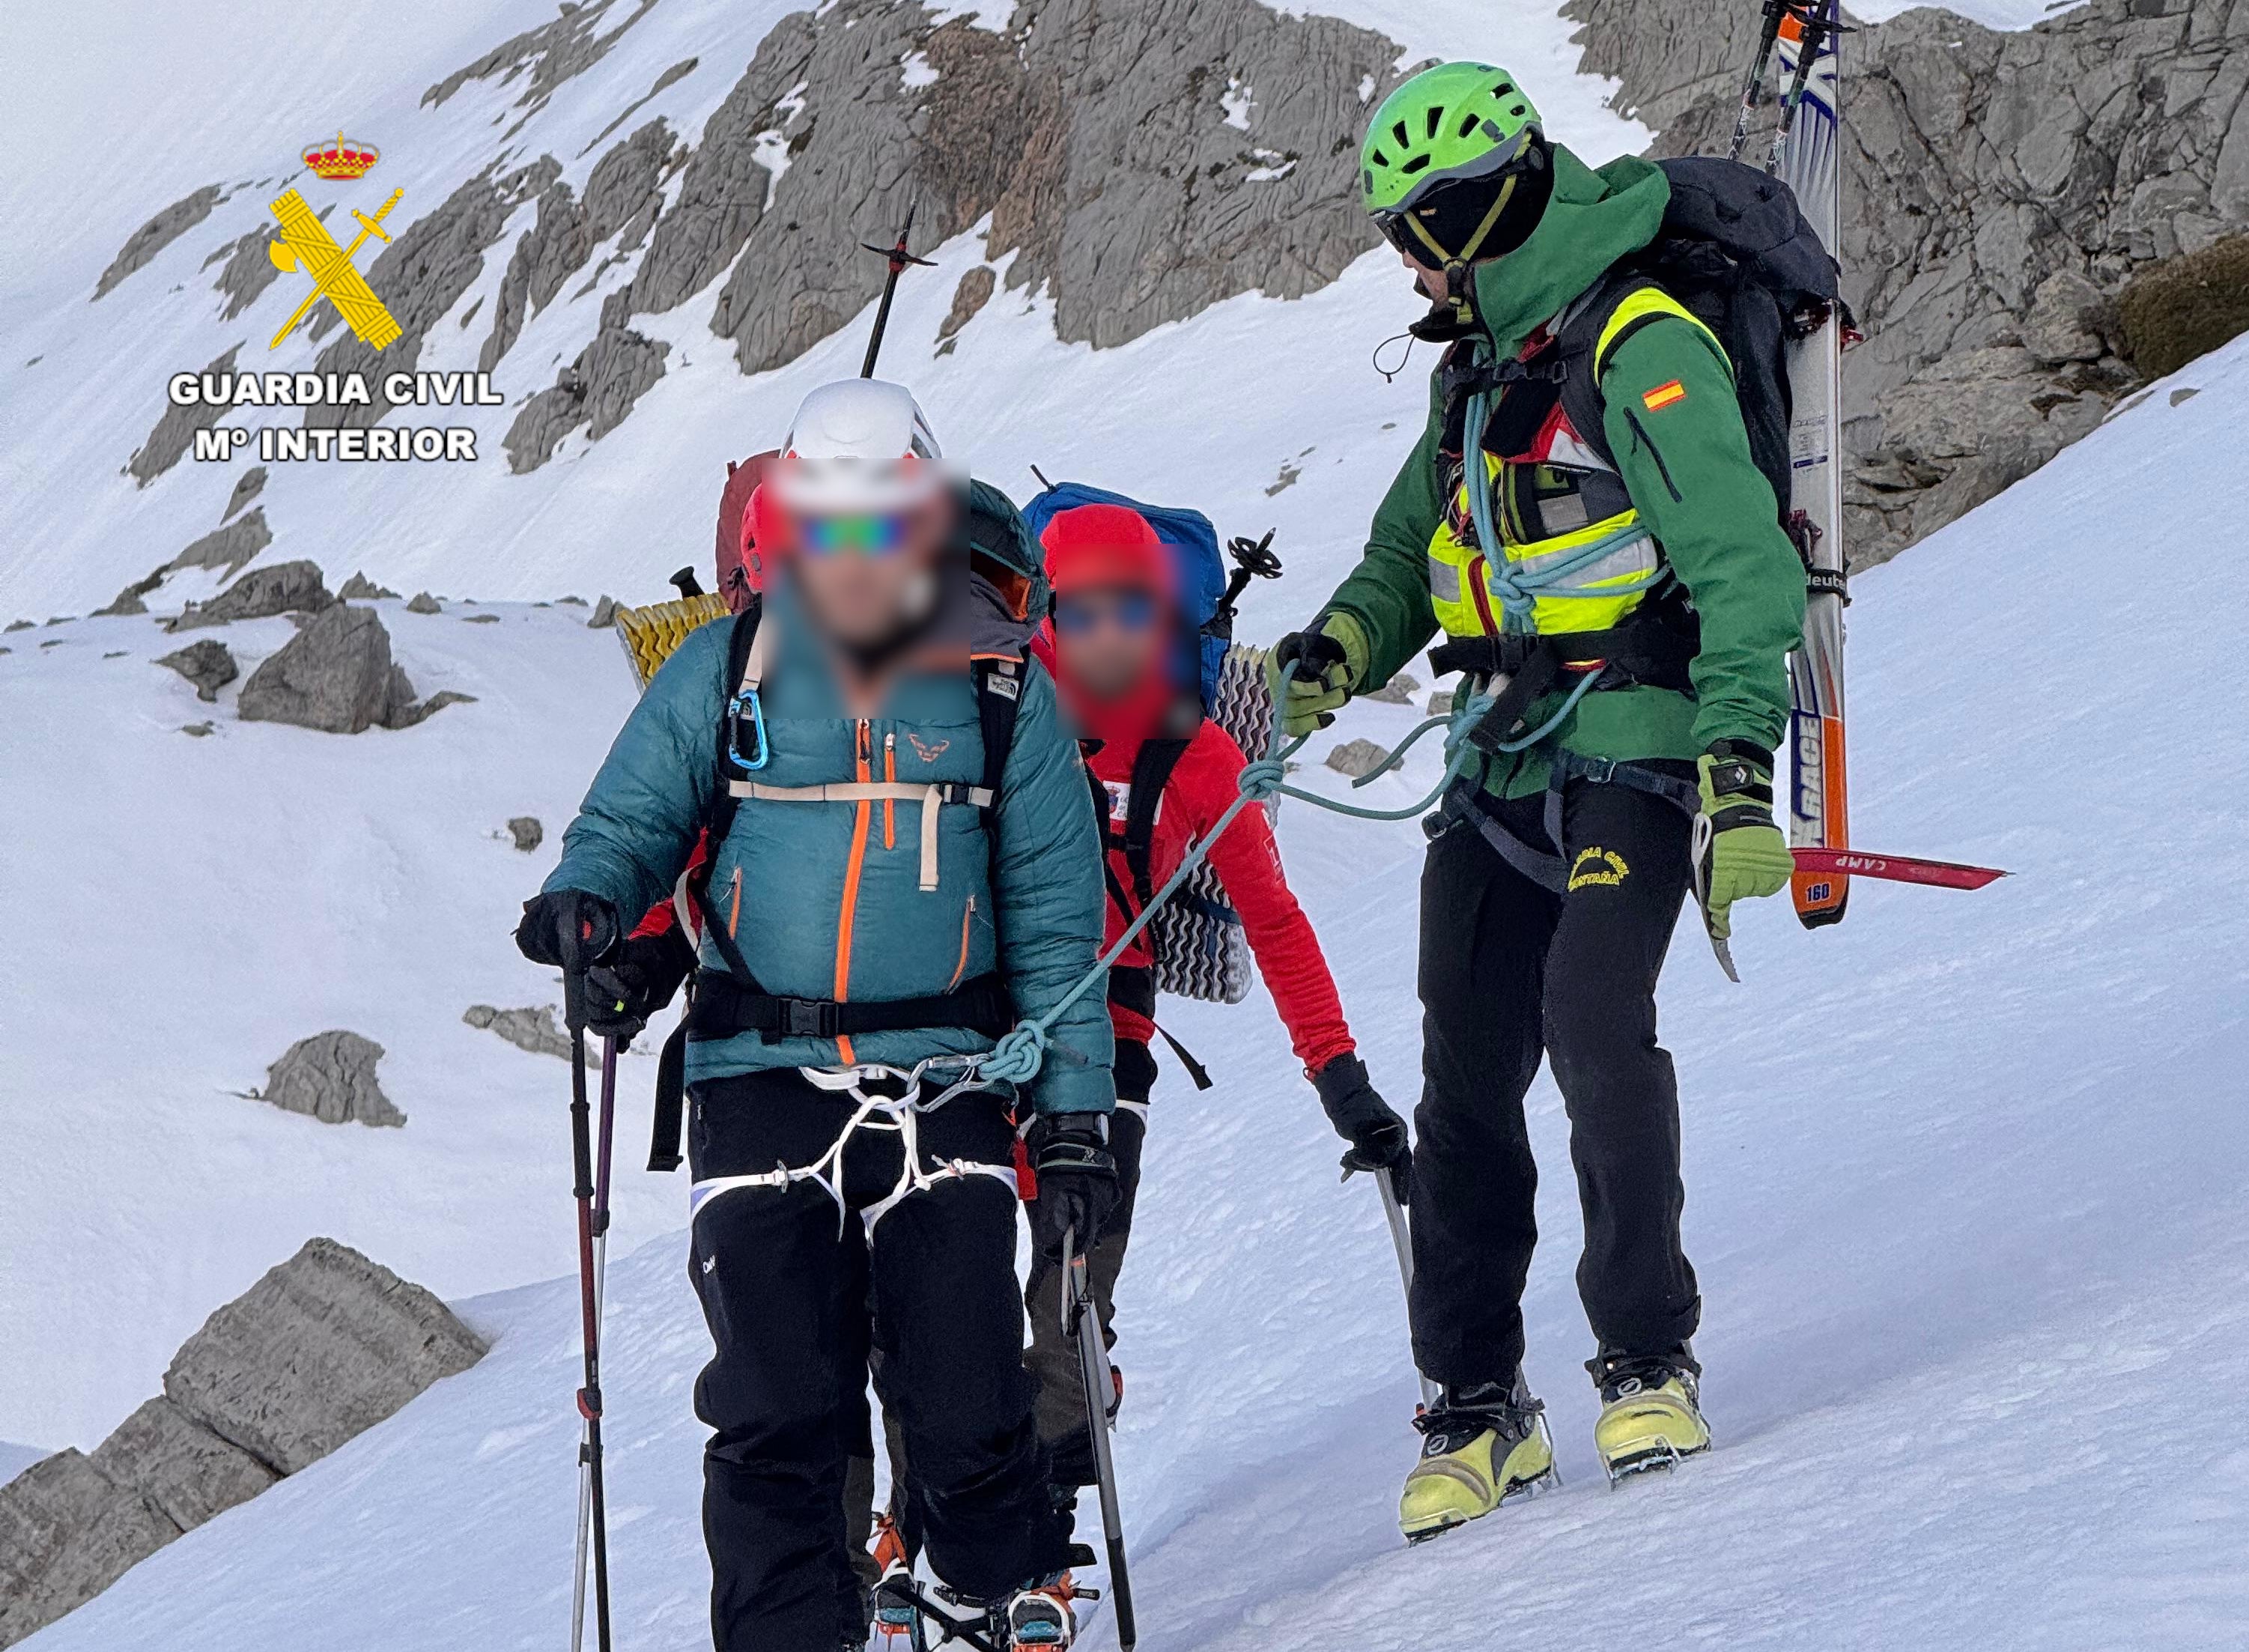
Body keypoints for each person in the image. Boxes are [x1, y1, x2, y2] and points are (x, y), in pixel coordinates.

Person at [1271, 63, 1807, 1534]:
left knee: (1591, 1020)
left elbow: (1741, 564)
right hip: (1494, 756)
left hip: (1634, 745)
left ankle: (1646, 1354)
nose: (1403, 258)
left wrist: (1739, 765)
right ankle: (1474, 1405)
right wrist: (1319, 661)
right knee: (1462, 1071)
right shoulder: (1471, 374)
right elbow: (1397, 562)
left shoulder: (1637, 344)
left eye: (1413, 225)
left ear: (1473, 209)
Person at [519, 379, 1119, 1651]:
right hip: (755, 1074)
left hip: (950, 1075)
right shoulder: (725, 665)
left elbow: (1063, 929)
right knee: (778, 1405)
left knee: (963, 1391)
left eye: (878, 529)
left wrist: (1072, 1125)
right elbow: (630, 820)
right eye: (822, 527)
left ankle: (986, 1583)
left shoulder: (1005, 693)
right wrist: (585, 899)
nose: (850, 560)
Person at [1021, 500, 1411, 1489]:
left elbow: (1274, 919)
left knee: (1071, 1281)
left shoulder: (1197, 753)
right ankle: (955, 1511)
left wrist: (1339, 1073)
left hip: (1113, 1039)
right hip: (992, 1034)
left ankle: (1050, 1532)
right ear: (1046, 616)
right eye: (1085, 612)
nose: (1111, 636)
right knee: (952, 1286)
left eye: (1133, 612)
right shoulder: (1000, 720)